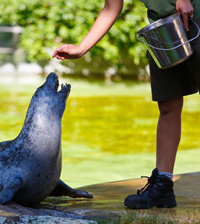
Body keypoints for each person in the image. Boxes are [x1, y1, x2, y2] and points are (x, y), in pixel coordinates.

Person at [52, 0, 200, 209]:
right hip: (163, 28)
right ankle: (164, 185)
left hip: (197, 18)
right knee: (167, 106)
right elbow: (112, 7)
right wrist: (81, 48)